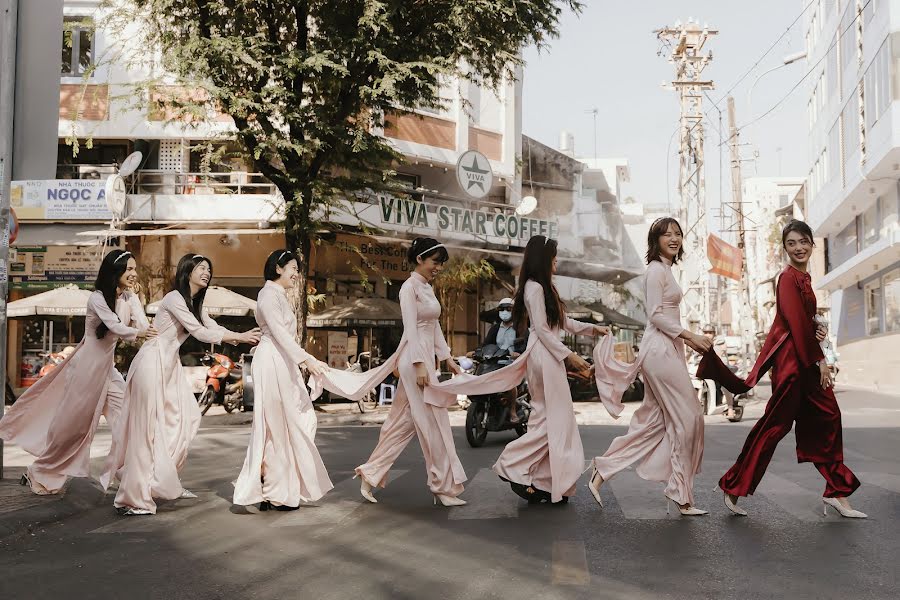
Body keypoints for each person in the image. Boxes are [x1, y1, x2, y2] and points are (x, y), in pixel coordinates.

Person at [698, 220, 865, 518]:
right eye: (791, 243)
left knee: (827, 417)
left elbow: (804, 320)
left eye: (803, 242)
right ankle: (734, 484)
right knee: (774, 427)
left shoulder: (805, 277)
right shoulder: (787, 278)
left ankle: (837, 490)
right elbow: (794, 323)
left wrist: (818, 331)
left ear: (812, 244)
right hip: (792, 365)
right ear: (785, 248)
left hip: (806, 359)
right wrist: (821, 360)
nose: (798, 247)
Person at [103, 254, 261, 515]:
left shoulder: (195, 302)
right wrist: (238, 336)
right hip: (151, 363)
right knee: (147, 432)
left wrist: (238, 338)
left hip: (169, 367)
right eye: (201, 268)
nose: (206, 272)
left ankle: (161, 481)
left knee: (186, 419)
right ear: (187, 271)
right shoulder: (175, 298)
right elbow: (198, 331)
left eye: (209, 269)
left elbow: (209, 324)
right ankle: (132, 497)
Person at [0, 249, 155, 494]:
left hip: (107, 369)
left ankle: (130, 475)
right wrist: (139, 332)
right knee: (73, 428)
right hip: (85, 369)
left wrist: (139, 306)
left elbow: (144, 325)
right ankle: (39, 470)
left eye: (135, 269)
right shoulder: (97, 299)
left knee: (126, 416)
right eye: (130, 269)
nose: (134, 274)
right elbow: (114, 327)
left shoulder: (128, 298)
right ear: (115, 272)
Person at [590, 217, 713, 516]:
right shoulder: (655, 271)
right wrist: (691, 335)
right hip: (659, 350)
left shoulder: (667, 270)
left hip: (667, 348)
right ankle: (679, 492)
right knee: (690, 417)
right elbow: (656, 315)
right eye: (666, 234)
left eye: (678, 234)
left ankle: (603, 470)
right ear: (655, 240)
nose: (673, 238)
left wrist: (687, 341)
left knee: (657, 422)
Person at [492, 235, 609, 504]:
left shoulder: (545, 289)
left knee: (546, 417)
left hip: (547, 354)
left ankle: (544, 481)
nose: (556, 263)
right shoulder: (534, 288)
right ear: (543, 260)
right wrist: (570, 357)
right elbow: (543, 330)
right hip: (544, 355)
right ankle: (512, 463)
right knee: (554, 419)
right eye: (553, 258)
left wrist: (594, 329)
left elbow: (564, 322)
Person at [353, 238, 468, 507]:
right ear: (420, 259)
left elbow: (434, 326)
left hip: (426, 358)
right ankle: (442, 487)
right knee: (434, 423)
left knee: (403, 424)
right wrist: (419, 363)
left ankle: (370, 474)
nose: (439, 268)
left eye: (441, 263)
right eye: (435, 262)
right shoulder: (408, 288)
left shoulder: (427, 288)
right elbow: (411, 329)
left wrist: (447, 358)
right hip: (415, 360)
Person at [233, 250, 333, 511]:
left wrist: (300, 360)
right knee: (277, 425)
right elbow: (279, 334)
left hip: (282, 361)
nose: (296, 274)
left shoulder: (279, 295)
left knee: (301, 418)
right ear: (278, 268)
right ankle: (275, 490)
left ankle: (269, 480)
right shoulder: (268, 295)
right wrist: (307, 360)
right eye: (292, 267)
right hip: (273, 361)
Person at [469, 297, 528, 423]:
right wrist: (476, 352)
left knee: (510, 384)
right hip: (495, 363)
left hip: (513, 365)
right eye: (502, 309)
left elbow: (525, 346)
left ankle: (512, 411)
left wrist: (519, 353)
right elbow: (486, 344)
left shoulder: (521, 328)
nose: (504, 312)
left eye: (508, 309)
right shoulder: (495, 328)